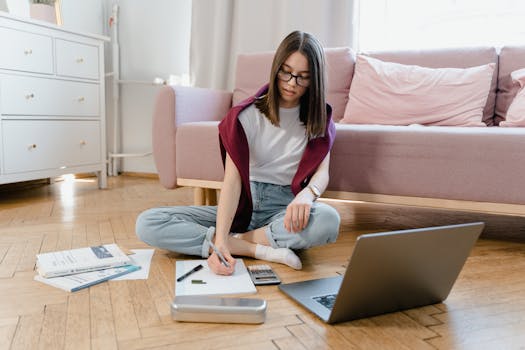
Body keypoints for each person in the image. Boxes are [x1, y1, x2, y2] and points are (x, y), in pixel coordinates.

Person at [136, 30, 340, 275]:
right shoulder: (247, 115)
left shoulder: (320, 118)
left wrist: (308, 195)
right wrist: (221, 236)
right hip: (242, 205)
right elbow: (232, 181)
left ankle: (236, 241)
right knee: (148, 223)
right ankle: (259, 249)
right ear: (276, 67)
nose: (291, 83)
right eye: (286, 72)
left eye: (303, 77)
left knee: (328, 220)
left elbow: (322, 173)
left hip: (284, 210)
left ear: (314, 80)